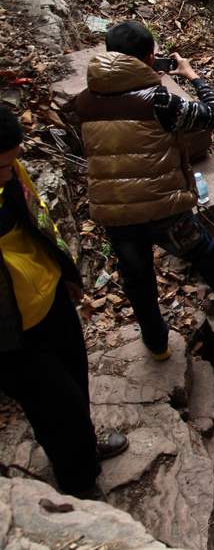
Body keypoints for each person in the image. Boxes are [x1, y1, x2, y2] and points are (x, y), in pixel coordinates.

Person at [76, 21, 214, 360]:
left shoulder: (85, 100)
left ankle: (157, 345)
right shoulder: (158, 101)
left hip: (115, 212)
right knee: (203, 251)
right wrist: (192, 75)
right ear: (150, 56)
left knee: (137, 281)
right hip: (162, 208)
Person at [0, 107, 128, 497]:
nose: (11, 170)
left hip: (49, 296)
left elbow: (38, 220)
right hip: (11, 331)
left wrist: (67, 273)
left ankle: (85, 448)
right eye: (3, 164)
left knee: (76, 379)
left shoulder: (11, 175)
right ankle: (78, 484)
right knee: (53, 405)